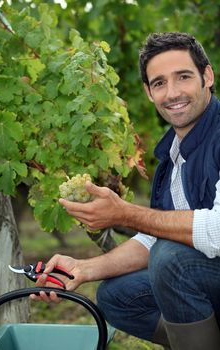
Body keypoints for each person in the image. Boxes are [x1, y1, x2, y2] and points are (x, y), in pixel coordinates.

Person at [30, 32, 220, 350]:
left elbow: (216, 231)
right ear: (148, 92)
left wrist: (125, 213)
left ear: (207, 76)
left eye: (183, 77)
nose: (172, 93)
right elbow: (154, 235)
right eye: (159, 83)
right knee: (116, 295)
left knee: (170, 259)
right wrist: (83, 267)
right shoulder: (172, 160)